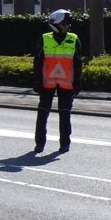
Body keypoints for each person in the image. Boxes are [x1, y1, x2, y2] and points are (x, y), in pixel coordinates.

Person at [32, 9, 82, 154]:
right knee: (43, 114)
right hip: (47, 83)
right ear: (57, 24)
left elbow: (78, 63)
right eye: (65, 23)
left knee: (65, 114)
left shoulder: (74, 39)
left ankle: (65, 144)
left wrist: (77, 82)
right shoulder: (44, 39)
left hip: (67, 83)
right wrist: (37, 81)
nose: (68, 26)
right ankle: (39, 144)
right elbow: (38, 62)